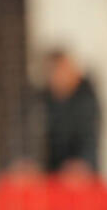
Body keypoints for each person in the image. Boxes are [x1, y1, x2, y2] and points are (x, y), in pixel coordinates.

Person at [40, 48, 100, 179]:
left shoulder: (86, 99)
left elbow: (90, 138)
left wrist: (82, 164)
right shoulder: (43, 100)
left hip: (82, 177)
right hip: (51, 176)